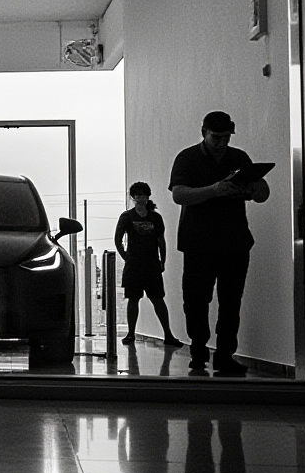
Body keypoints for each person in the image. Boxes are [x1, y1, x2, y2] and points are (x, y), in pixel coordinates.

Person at [169, 111, 270, 375]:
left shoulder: (239, 158)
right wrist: (215, 190)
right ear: (203, 132)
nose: (221, 143)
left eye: (226, 138)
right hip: (198, 243)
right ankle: (199, 351)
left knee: (230, 302)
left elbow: (263, 193)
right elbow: (179, 195)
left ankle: (224, 355)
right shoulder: (187, 158)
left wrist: (249, 190)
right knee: (196, 300)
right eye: (216, 137)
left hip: (234, 242)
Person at [115, 181, 181, 347]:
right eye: (137, 195)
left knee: (158, 299)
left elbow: (161, 240)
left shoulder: (155, 217)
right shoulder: (127, 217)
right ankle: (131, 333)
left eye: (143, 194)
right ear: (133, 197)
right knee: (133, 299)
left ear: (148, 196)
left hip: (152, 265)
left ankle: (168, 334)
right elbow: (118, 240)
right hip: (134, 266)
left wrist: (162, 260)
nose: (140, 198)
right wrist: (127, 257)